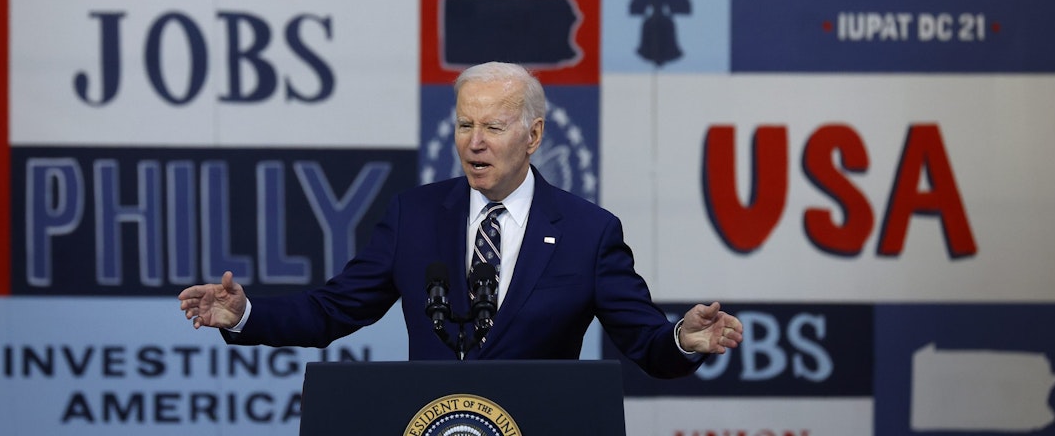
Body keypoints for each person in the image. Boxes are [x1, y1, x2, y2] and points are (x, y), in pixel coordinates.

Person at [178, 61, 742, 378]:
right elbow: (333, 311)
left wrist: (683, 339)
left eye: (493, 128)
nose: (474, 143)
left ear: (534, 135)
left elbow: (645, 342)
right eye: (463, 125)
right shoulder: (414, 214)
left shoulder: (589, 232)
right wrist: (244, 314)